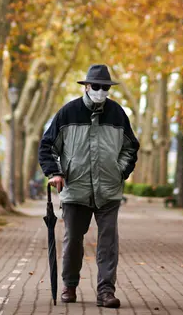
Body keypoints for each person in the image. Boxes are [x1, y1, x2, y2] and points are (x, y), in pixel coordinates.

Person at [38, 64, 140, 308]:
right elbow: (47, 146)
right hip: (76, 190)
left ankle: (106, 291)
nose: (101, 91)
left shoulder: (117, 114)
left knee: (108, 243)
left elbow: (131, 147)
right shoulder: (68, 113)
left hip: (108, 191)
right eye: (96, 86)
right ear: (86, 86)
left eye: (105, 87)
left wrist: (120, 172)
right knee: (73, 239)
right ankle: (69, 285)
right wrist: (54, 172)